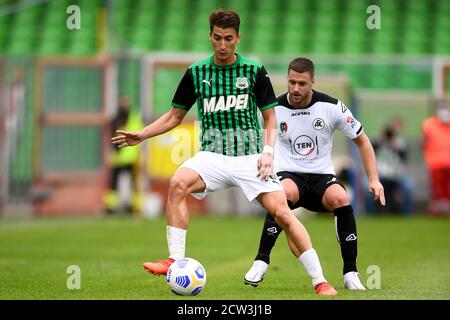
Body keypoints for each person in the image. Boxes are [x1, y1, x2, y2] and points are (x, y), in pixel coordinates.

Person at [112, 9, 337, 295]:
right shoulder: (196, 72)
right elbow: (173, 117)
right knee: (178, 183)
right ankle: (175, 260)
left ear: (238, 38)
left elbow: (270, 117)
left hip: (250, 158)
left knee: (283, 213)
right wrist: (141, 134)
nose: (222, 45)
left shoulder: (254, 71)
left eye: (228, 39)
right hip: (212, 157)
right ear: (210, 36)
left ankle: (320, 280)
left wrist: (268, 153)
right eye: (217, 38)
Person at [243, 57, 385, 290]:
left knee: (341, 197)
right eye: (292, 82)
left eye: (302, 83)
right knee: (284, 192)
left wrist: (374, 179)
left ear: (313, 82)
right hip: (289, 174)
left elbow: (363, 140)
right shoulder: (274, 110)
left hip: (321, 176)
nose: (296, 88)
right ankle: (261, 260)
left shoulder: (331, 106)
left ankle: (351, 273)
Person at [104, 96, 143, 214]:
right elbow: (110, 137)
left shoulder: (133, 118)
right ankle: (110, 207)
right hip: (118, 157)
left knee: (133, 184)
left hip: (130, 157)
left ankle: (134, 208)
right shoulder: (117, 119)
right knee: (113, 184)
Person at [367, 117, 413, 215]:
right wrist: (383, 139)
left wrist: (394, 146)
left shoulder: (400, 142)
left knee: (408, 188)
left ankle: (406, 216)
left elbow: (404, 158)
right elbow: (370, 151)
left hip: (396, 176)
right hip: (379, 176)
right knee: (367, 189)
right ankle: (369, 216)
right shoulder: (378, 140)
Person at [422, 100, 450, 215]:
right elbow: (424, 142)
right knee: (437, 190)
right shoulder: (428, 124)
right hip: (435, 163)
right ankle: (437, 212)